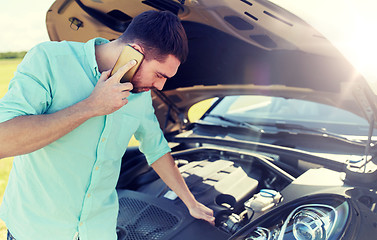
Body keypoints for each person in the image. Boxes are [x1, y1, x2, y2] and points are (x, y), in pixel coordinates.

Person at [0, 10, 215, 240]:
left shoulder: (139, 95)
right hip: (35, 232)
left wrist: (191, 203)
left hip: (98, 232)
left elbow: (157, 150)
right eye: (159, 74)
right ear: (136, 53)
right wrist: (91, 106)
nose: (160, 86)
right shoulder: (49, 59)